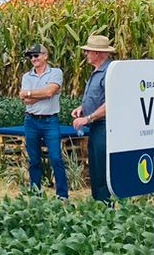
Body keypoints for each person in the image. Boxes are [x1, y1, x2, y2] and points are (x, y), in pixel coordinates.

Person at [71, 33, 115, 205]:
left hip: (105, 126)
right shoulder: (97, 72)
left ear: (97, 53)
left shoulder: (109, 72)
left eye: (88, 51)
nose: (86, 54)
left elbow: (112, 103)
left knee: (103, 168)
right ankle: (98, 204)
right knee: (95, 167)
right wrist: (82, 109)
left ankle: (106, 205)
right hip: (96, 126)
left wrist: (88, 118)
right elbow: (98, 98)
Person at [19, 44, 68, 199]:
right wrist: (45, 93)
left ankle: (62, 195)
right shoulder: (27, 76)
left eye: (36, 55)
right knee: (34, 160)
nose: (33, 59)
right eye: (31, 56)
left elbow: (49, 92)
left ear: (45, 56)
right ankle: (36, 194)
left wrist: (30, 93)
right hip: (31, 121)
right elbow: (27, 101)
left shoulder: (56, 72)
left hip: (50, 121)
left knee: (56, 158)